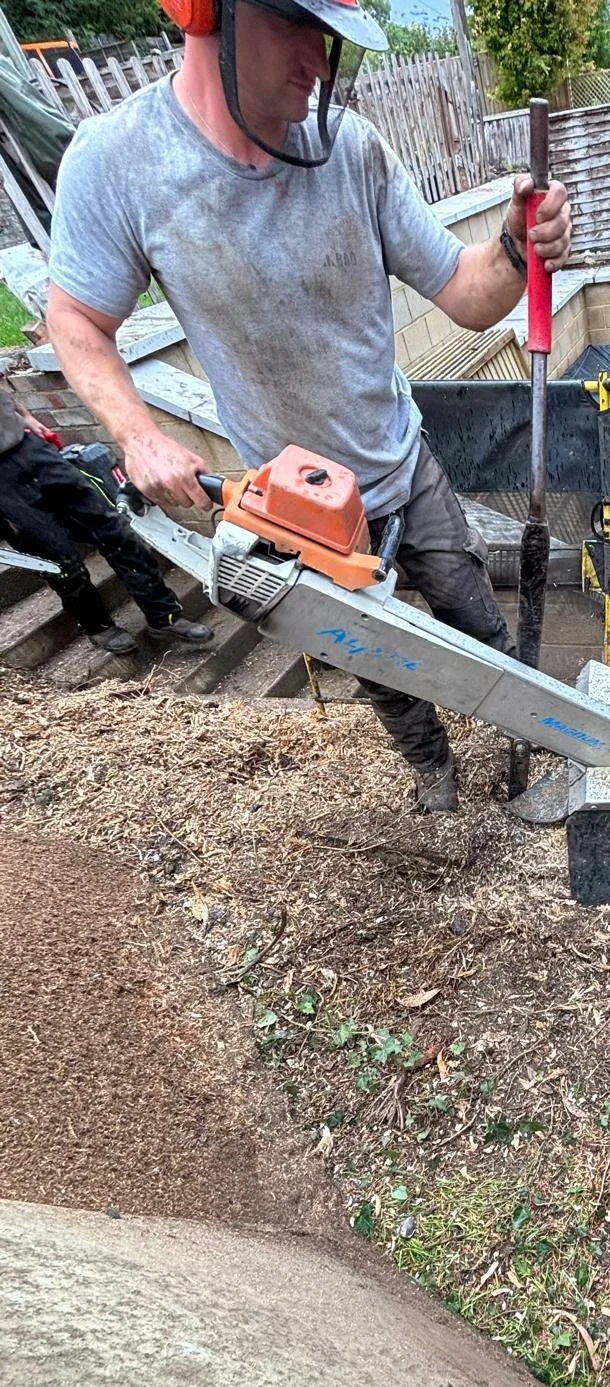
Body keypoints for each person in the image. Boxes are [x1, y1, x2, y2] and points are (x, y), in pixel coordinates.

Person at [45, 0, 572, 811]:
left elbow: (467, 295)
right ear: (208, 14)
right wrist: (137, 436)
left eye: (330, 41)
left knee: (481, 632)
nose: (320, 64)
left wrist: (511, 246)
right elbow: (76, 317)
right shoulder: (121, 163)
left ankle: (523, 753)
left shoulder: (352, 151)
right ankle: (437, 783)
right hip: (300, 517)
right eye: (299, 29)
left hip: (403, 467)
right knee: (384, 672)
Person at [0, 375, 214, 654]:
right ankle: (98, 627)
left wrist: (25, 415)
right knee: (61, 562)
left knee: (115, 531)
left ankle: (164, 618)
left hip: (28, 446)